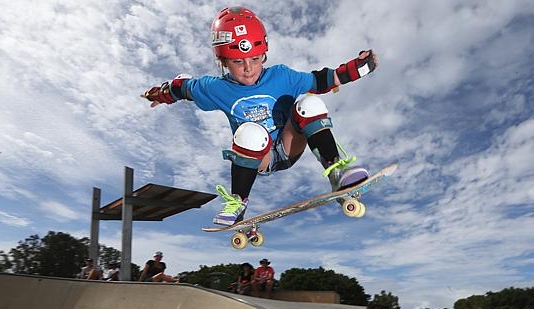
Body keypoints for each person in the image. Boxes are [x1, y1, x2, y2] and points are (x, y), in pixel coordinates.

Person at [143, 6, 378, 226]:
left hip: (289, 145)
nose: (248, 68)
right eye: (237, 62)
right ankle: (238, 202)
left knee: (310, 103)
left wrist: (359, 67)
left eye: (255, 59)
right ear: (222, 61)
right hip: (258, 157)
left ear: (264, 53)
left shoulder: (282, 76)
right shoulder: (215, 88)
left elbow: (322, 80)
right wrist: (159, 94)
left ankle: (336, 170)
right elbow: (184, 88)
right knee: (250, 132)